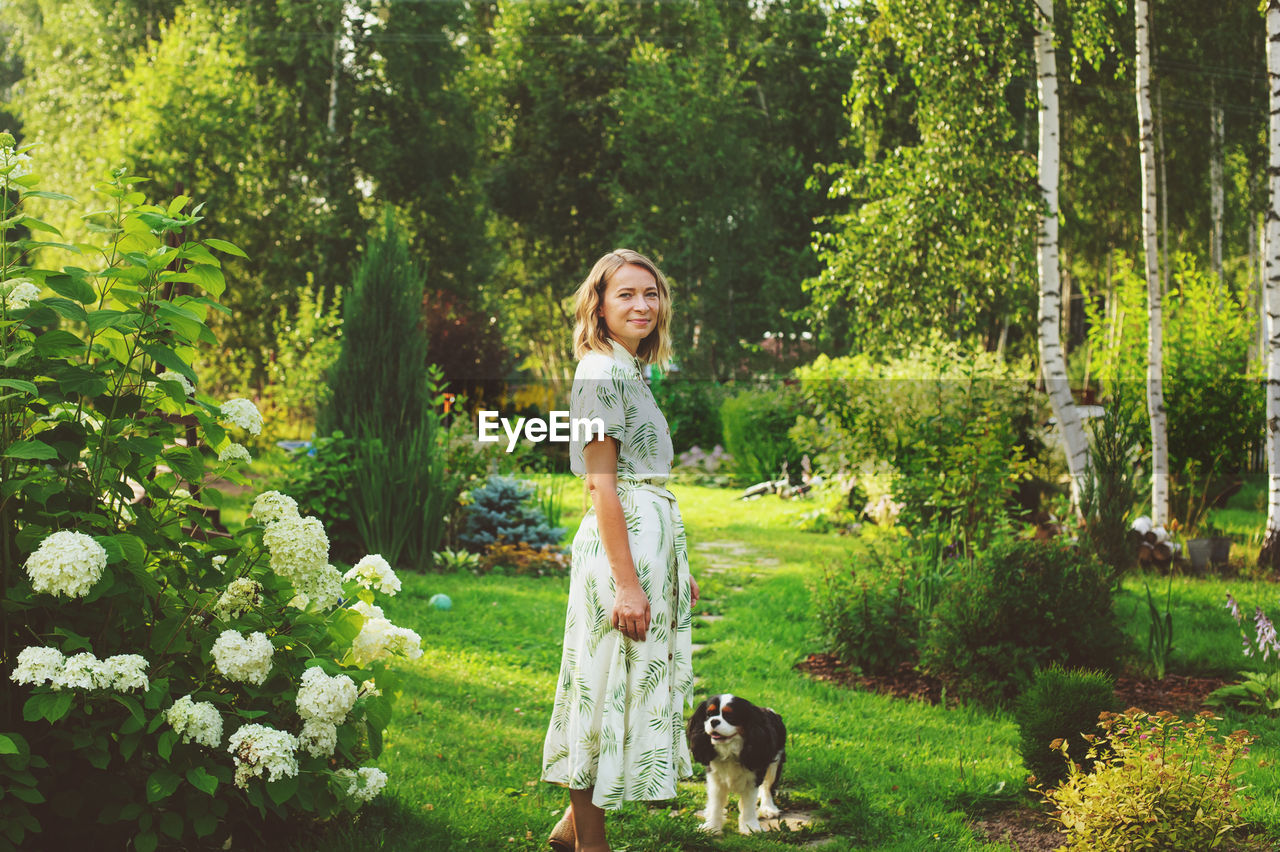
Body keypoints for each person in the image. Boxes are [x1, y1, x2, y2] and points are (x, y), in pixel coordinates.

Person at [542, 249, 700, 852]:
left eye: (651, 294)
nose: (642, 305)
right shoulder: (600, 372)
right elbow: (600, 482)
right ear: (599, 307)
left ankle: (570, 825)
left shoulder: (629, 369)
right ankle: (591, 843)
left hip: (646, 541)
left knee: (614, 682)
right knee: (601, 685)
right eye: (626, 295)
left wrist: (672, 570)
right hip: (620, 548)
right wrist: (629, 582)